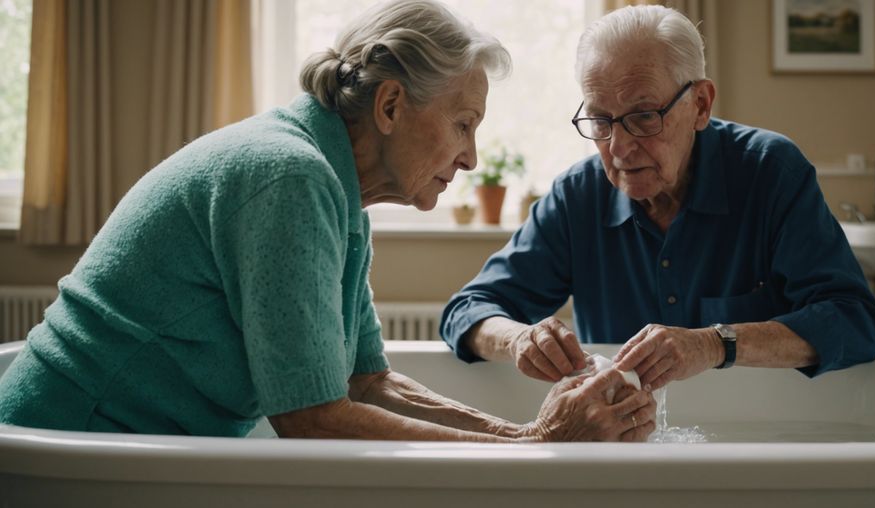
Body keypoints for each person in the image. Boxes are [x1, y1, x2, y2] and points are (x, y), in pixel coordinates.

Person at [0, 0, 655, 442]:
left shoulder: (331, 184)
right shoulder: (291, 176)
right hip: (67, 444)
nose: (470, 156)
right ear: (391, 105)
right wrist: (537, 447)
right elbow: (312, 417)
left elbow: (365, 381)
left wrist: (519, 439)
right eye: (463, 124)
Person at [440, 5, 875, 389]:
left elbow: (854, 320)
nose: (618, 148)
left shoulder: (771, 172)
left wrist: (715, 344)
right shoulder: (578, 196)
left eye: (643, 116)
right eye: (600, 121)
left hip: (756, 435)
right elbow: (468, 310)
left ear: (701, 105)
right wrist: (518, 339)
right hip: (625, 443)